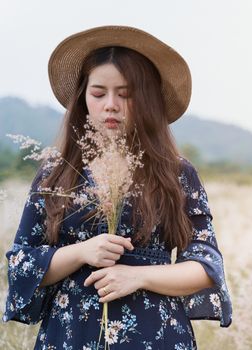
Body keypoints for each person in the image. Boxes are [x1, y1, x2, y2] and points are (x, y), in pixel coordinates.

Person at [2, 25, 232, 349]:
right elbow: (21, 264)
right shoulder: (57, 173)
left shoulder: (175, 173)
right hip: (71, 336)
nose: (110, 104)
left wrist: (138, 276)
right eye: (98, 93)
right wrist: (81, 252)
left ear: (147, 99)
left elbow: (206, 267)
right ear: (83, 98)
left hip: (156, 335)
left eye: (125, 94)